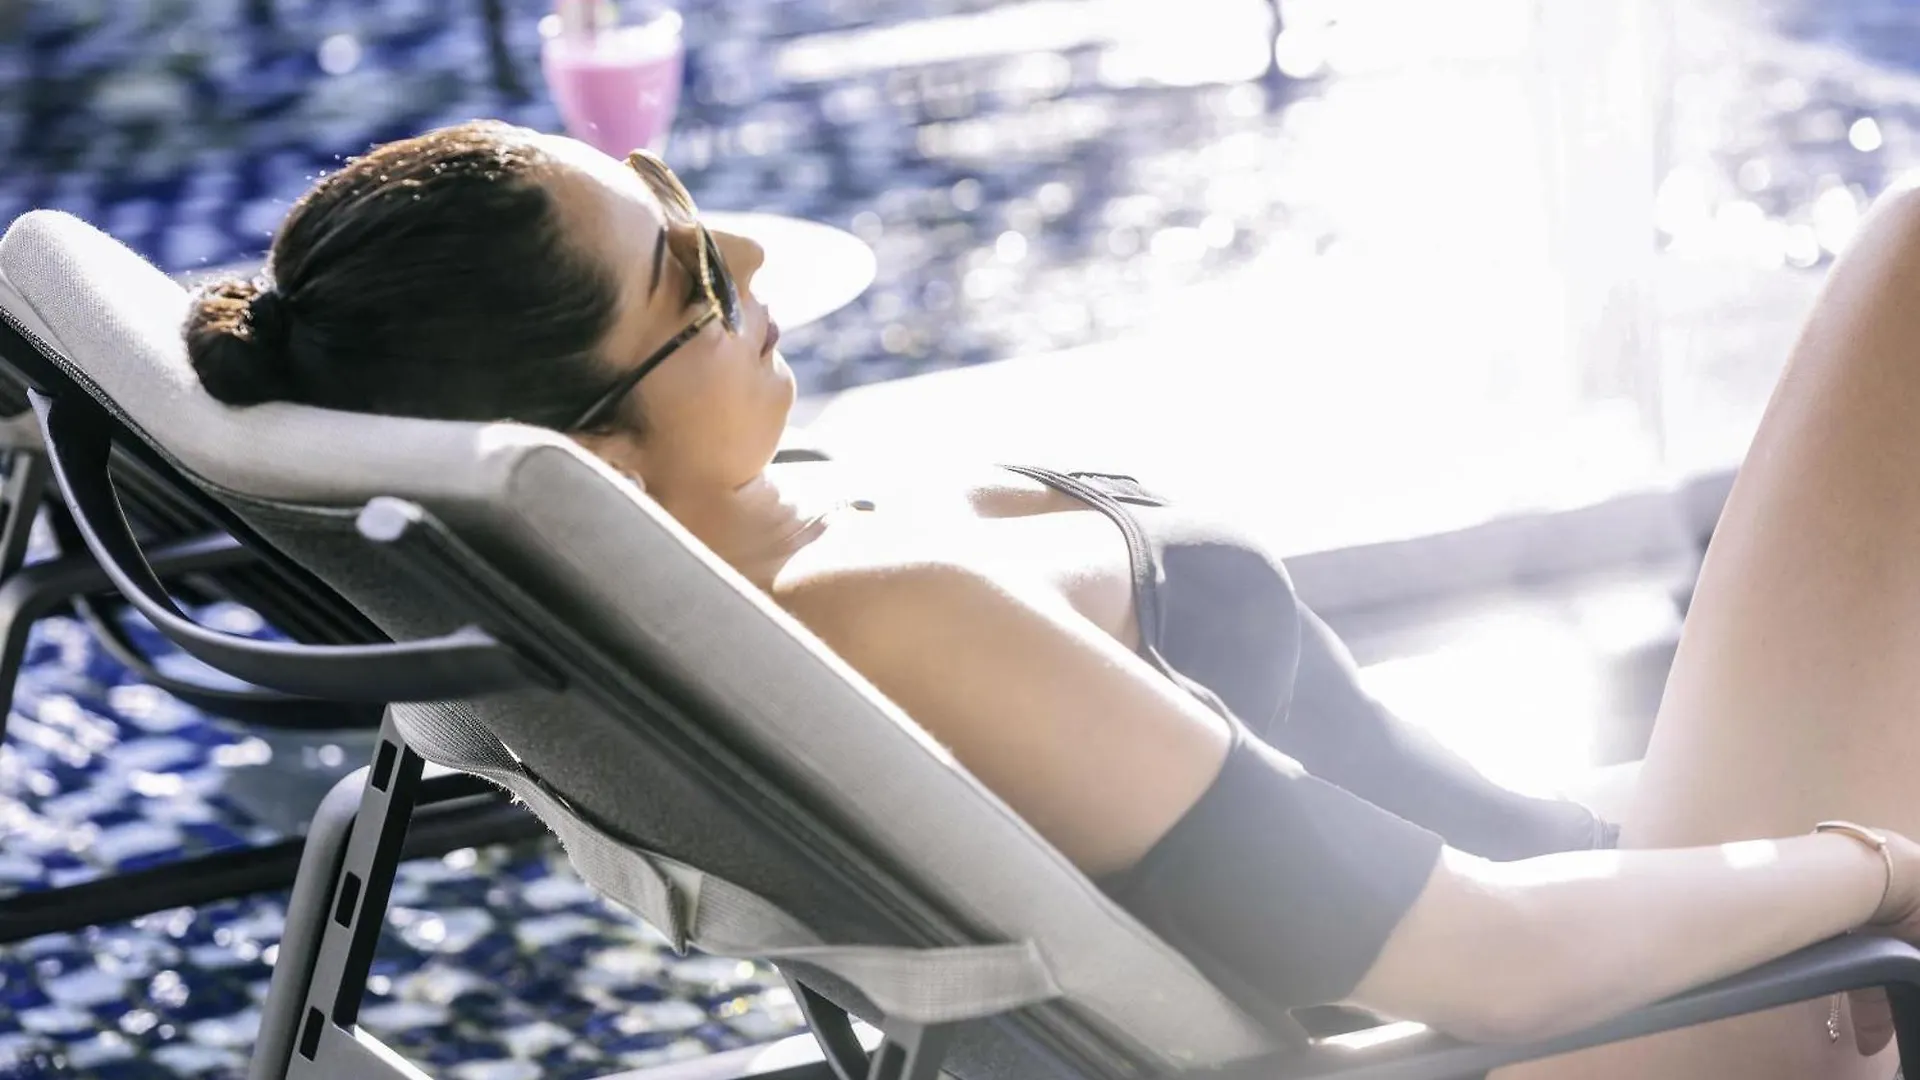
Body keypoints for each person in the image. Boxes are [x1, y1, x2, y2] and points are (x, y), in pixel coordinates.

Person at [182, 119, 1920, 1079]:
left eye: (677, 198)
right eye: (691, 276)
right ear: (598, 458)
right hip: (1626, 1030)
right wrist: (1878, 870)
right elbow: (1502, 970)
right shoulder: (887, 618)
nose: (753, 256)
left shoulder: (723, 566)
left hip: (1598, 903)